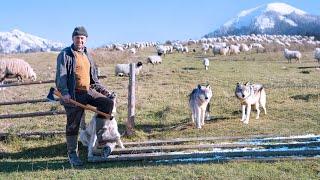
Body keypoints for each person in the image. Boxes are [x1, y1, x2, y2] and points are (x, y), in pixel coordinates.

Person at [55, 26, 114, 167]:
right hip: (73, 93)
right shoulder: (66, 54)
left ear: (86, 39)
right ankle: (72, 154)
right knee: (73, 124)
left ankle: (101, 143)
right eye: (77, 38)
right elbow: (60, 76)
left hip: (88, 91)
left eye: (82, 38)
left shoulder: (87, 54)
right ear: (73, 39)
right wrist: (65, 93)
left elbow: (93, 79)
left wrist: (105, 92)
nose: (80, 40)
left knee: (106, 104)